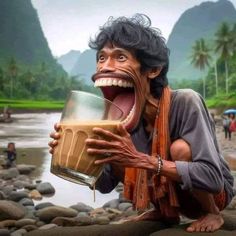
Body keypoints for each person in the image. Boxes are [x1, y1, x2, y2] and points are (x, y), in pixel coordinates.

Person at [49, 14, 234, 233]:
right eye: (101, 57)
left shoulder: (186, 101)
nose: (105, 66)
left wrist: (139, 160)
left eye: (120, 57)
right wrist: (77, 157)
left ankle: (211, 212)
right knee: (117, 150)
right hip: (172, 197)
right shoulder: (116, 118)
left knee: (179, 149)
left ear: (152, 70)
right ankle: (165, 211)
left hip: (214, 194)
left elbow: (212, 178)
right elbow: (105, 185)